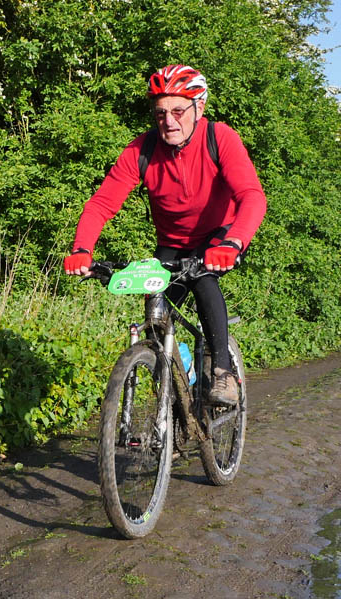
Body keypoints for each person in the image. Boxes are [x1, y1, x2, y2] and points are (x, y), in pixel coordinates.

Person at [64, 64, 266, 406]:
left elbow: (252, 196)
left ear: (199, 107)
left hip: (220, 236)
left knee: (203, 279)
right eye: (160, 113)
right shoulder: (142, 150)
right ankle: (178, 385)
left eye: (177, 111)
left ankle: (222, 371)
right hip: (172, 244)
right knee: (156, 307)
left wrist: (233, 242)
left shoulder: (219, 138)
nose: (168, 121)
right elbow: (102, 204)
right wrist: (82, 249)